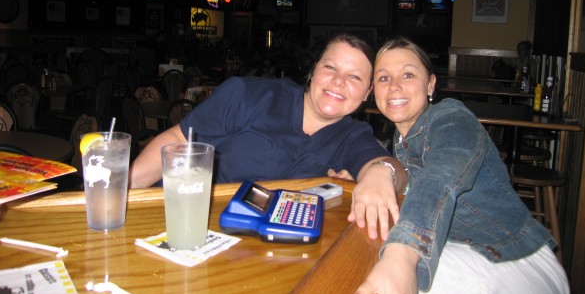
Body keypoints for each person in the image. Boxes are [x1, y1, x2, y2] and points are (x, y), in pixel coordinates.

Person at [130, 33, 407, 238]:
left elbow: (393, 169)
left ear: (367, 92)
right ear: (313, 71)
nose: (338, 81)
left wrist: (380, 174)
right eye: (330, 67)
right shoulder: (249, 95)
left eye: (354, 77)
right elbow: (178, 141)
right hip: (181, 221)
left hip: (261, 249)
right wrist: (124, 191)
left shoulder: (353, 135)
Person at [354, 36, 569, 294]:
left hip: (513, 259)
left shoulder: (452, 117)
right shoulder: (401, 144)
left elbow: (439, 178)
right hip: (463, 252)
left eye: (408, 75)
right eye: (383, 78)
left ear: (430, 84)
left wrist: (401, 257)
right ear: (373, 90)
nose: (394, 86)